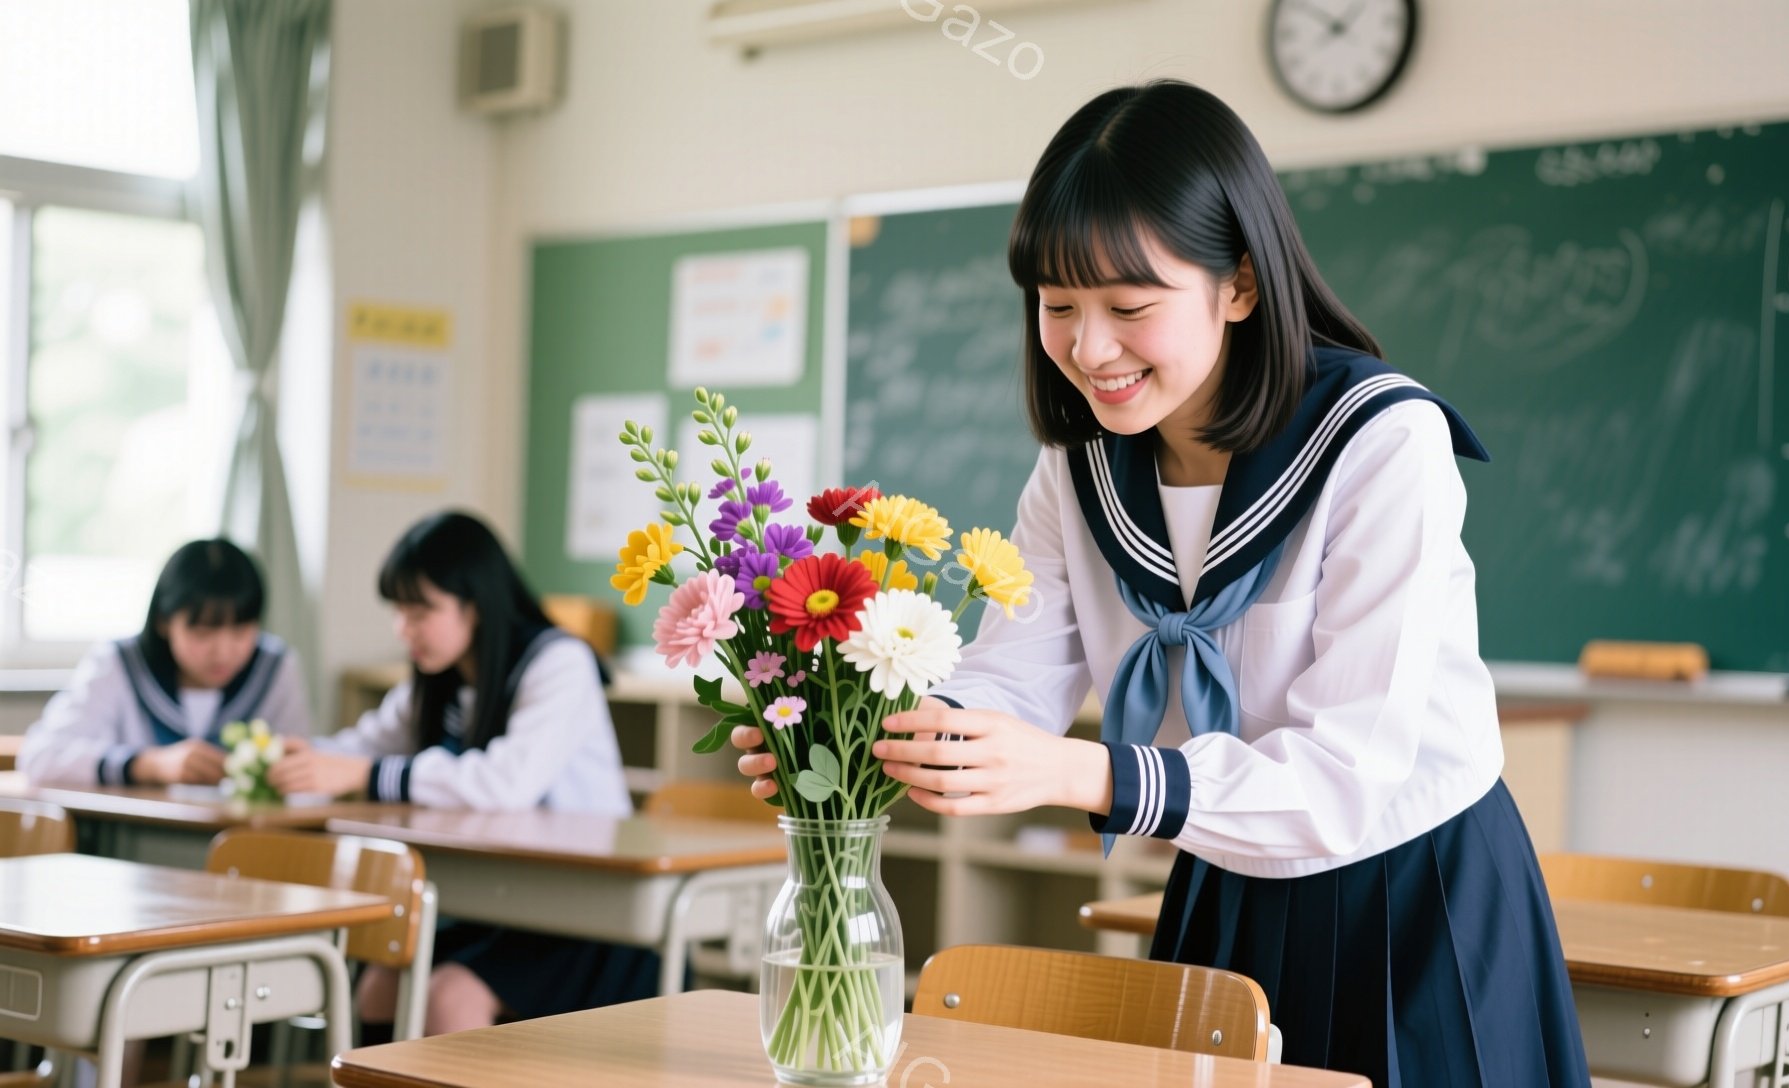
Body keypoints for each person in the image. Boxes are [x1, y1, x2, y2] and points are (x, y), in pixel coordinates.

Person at [737, 80, 1590, 1086]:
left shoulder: (1381, 442)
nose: (1089, 349)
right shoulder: (1078, 467)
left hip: (1414, 897)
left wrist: (1088, 773)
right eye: (1058, 306)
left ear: (1239, 284)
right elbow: (1016, 673)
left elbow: (1347, 774)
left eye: (1129, 306)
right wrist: (858, 735)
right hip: (1222, 874)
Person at [269, 510, 641, 1036]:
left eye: (420, 611)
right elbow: (365, 745)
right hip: (507, 904)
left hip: (592, 913)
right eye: (399, 610)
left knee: (448, 995)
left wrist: (363, 773)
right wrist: (299, 758)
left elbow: (505, 783)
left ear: (478, 605)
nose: (404, 628)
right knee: (379, 985)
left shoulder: (558, 663)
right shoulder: (438, 676)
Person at [21, 538, 308, 787]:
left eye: (241, 630)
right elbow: (39, 755)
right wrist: (148, 765)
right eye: (203, 632)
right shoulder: (118, 663)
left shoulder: (275, 668)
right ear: (164, 622)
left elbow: (302, 765)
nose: (223, 652)